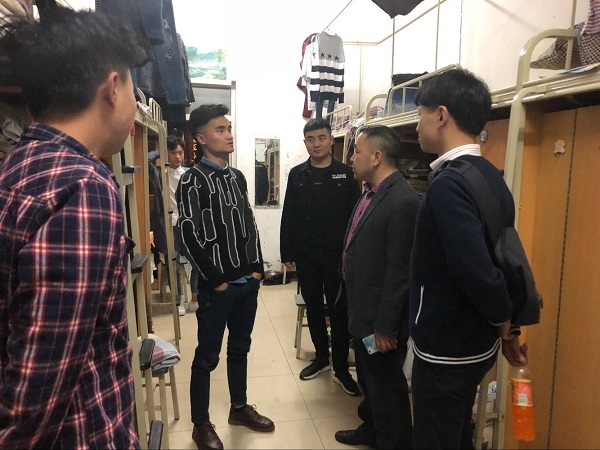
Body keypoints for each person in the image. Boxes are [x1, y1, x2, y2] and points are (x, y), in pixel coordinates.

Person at [0, 7, 145, 449]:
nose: (136, 108)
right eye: (134, 91)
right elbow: (41, 382)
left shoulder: (17, 166)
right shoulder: (84, 186)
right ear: (113, 88)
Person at [409, 68, 528, 449]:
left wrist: (503, 319)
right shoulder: (490, 175)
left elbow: (476, 269)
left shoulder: (448, 185)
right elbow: (504, 258)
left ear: (441, 115)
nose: (417, 126)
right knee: (457, 432)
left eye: (421, 114)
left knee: (437, 437)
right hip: (476, 342)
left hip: (448, 346)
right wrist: (506, 328)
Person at [177, 103, 274, 450]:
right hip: (217, 287)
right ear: (201, 138)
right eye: (220, 130)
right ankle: (200, 424)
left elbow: (248, 221)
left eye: (229, 128)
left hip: (247, 282)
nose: (229, 134)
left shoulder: (237, 177)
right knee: (206, 356)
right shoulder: (192, 180)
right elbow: (188, 235)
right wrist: (216, 280)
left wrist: (257, 267)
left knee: (240, 348)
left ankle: (239, 408)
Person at [335, 125, 419, 449]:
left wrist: (385, 327)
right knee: (370, 382)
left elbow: (400, 273)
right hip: (362, 310)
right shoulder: (370, 192)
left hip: (380, 323)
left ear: (377, 157)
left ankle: (394, 442)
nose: (351, 158)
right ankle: (371, 429)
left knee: (387, 389)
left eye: (357, 151)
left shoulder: (402, 201)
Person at [280, 117, 360, 394]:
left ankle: (341, 368)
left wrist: (353, 254)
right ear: (305, 143)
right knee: (313, 308)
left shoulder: (346, 174)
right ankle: (322, 358)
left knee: (339, 311)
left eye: (321, 138)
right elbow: (289, 214)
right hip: (307, 256)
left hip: (338, 257)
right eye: (311, 139)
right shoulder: (298, 174)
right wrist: (286, 251)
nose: (316, 144)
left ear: (331, 140)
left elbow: (355, 217)